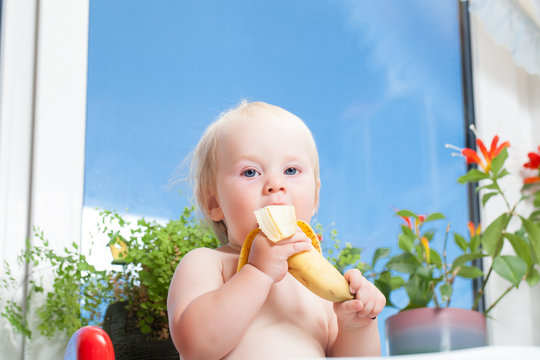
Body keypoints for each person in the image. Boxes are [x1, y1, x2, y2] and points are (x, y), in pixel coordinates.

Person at [167, 101, 385, 359]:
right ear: (214, 203)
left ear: (315, 198)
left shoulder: (320, 286)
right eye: (250, 172)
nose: (275, 184)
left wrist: (357, 326)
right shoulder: (207, 263)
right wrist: (257, 272)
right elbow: (196, 346)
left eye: (291, 170)